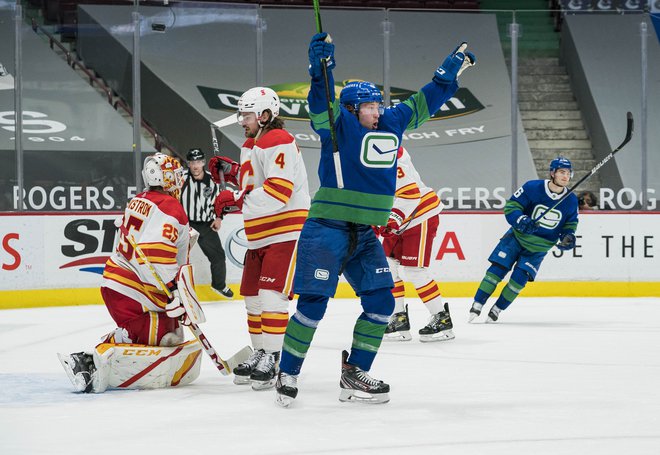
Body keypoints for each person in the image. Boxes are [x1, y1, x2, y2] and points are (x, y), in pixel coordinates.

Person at [275, 33, 475, 407]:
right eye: (370, 106)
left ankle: (354, 373)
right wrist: (321, 70)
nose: (378, 111)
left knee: (383, 302)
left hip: (362, 233)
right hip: (326, 229)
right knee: (314, 305)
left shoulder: (390, 123)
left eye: (379, 105)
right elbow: (320, 101)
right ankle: (287, 372)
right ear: (352, 109)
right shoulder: (337, 126)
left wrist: (446, 76)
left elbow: (424, 101)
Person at [58, 153, 203, 393]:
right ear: (166, 179)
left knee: (173, 333)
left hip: (124, 283)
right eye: (175, 176)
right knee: (164, 335)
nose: (179, 181)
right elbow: (154, 256)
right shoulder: (171, 207)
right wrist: (176, 292)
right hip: (131, 289)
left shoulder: (140, 199)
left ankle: (123, 341)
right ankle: (87, 360)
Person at [209, 87, 310, 391]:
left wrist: (236, 198)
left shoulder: (277, 140)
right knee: (252, 297)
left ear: (265, 115)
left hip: (284, 228)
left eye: (247, 114)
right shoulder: (255, 143)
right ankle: (261, 352)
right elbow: (259, 179)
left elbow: (279, 191)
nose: (241, 120)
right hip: (260, 231)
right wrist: (233, 171)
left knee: (270, 296)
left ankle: (275, 357)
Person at [469, 156, 579, 323]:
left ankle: (497, 309)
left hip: (538, 248)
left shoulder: (571, 200)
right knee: (497, 270)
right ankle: (477, 304)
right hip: (516, 238)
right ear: (552, 173)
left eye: (568, 173)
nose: (565, 176)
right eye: (562, 172)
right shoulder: (532, 187)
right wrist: (520, 220)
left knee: (519, 280)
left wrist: (568, 236)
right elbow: (512, 206)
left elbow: (570, 223)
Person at [379, 146, 454, 342]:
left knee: (414, 271)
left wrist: (392, 218)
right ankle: (399, 318)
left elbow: (410, 193)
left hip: (420, 213)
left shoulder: (389, 149)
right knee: (387, 265)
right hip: (397, 216)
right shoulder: (363, 149)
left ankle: (442, 319)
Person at [181, 147, 233, 299]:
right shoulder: (181, 179)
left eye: (198, 162)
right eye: (192, 162)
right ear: (188, 164)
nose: (196, 165)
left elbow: (222, 201)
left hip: (207, 225)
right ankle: (174, 287)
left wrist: (219, 218)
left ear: (203, 162)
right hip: (186, 224)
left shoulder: (213, 180)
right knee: (179, 257)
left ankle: (219, 285)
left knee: (218, 256)